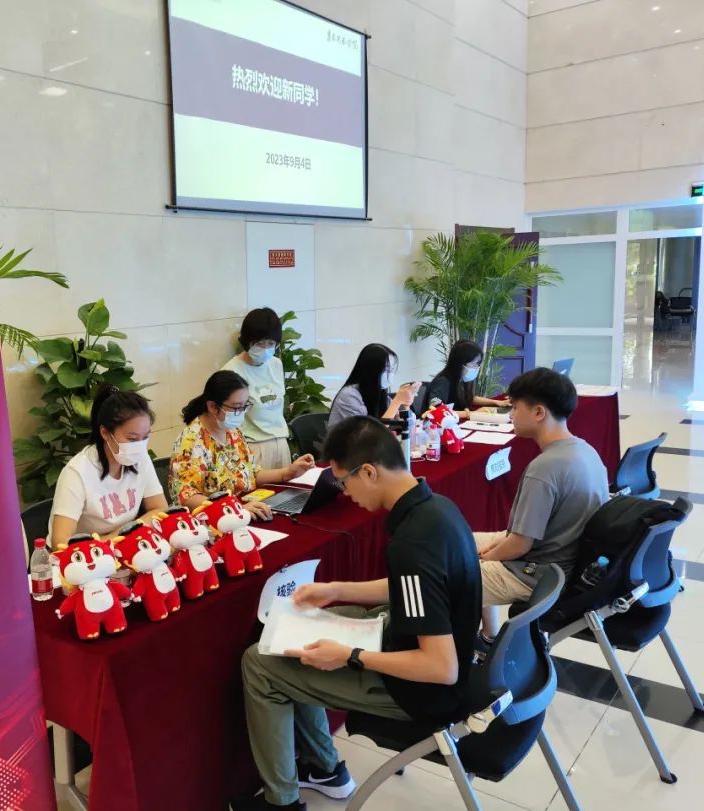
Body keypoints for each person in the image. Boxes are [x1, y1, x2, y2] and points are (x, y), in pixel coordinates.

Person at [236, 417, 481, 810]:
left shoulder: (413, 543)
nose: (345, 493)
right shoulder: (437, 509)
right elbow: (414, 589)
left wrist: (351, 656)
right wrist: (336, 590)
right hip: (418, 647)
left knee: (260, 664)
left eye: (343, 482)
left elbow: (441, 667)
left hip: (420, 690)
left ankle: (282, 802)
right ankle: (324, 768)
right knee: (305, 632)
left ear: (368, 471)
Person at [476, 368, 609, 639]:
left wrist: (484, 557)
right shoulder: (586, 450)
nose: (511, 415)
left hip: (538, 573)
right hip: (566, 558)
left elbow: (519, 545)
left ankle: (452, 653)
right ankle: (488, 636)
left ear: (539, 412)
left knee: (442, 572)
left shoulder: (544, 468)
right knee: (458, 540)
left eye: (515, 408)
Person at [169, 370, 314, 522]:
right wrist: (235, 508)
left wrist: (288, 473)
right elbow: (187, 496)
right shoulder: (191, 441)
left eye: (245, 406)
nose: (241, 413)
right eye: (237, 407)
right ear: (212, 406)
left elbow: (252, 473)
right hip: (214, 521)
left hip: (244, 511)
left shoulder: (232, 431)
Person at [48, 385, 168, 550]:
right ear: (105, 433)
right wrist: (119, 537)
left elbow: (160, 508)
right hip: (84, 557)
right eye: (132, 439)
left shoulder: (140, 458)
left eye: (145, 437)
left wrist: (125, 535)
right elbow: (60, 544)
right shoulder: (77, 472)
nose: (140, 446)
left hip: (125, 548)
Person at [223, 307, 291, 470]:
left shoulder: (276, 364)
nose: (265, 349)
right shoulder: (232, 371)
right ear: (247, 342)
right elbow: (227, 420)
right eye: (259, 343)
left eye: (270, 343)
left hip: (281, 443)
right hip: (253, 447)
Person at [327, 344, 419, 428]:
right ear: (371, 370)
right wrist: (396, 401)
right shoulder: (349, 395)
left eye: (391, 370)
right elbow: (367, 435)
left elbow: (409, 425)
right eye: (386, 369)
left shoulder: (380, 393)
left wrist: (405, 404)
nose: (390, 375)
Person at [425, 340, 507, 418]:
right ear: (460, 363)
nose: (477, 368)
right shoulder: (442, 382)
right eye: (475, 364)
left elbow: (469, 398)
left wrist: (497, 402)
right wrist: (471, 414)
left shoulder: (461, 378)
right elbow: (437, 410)